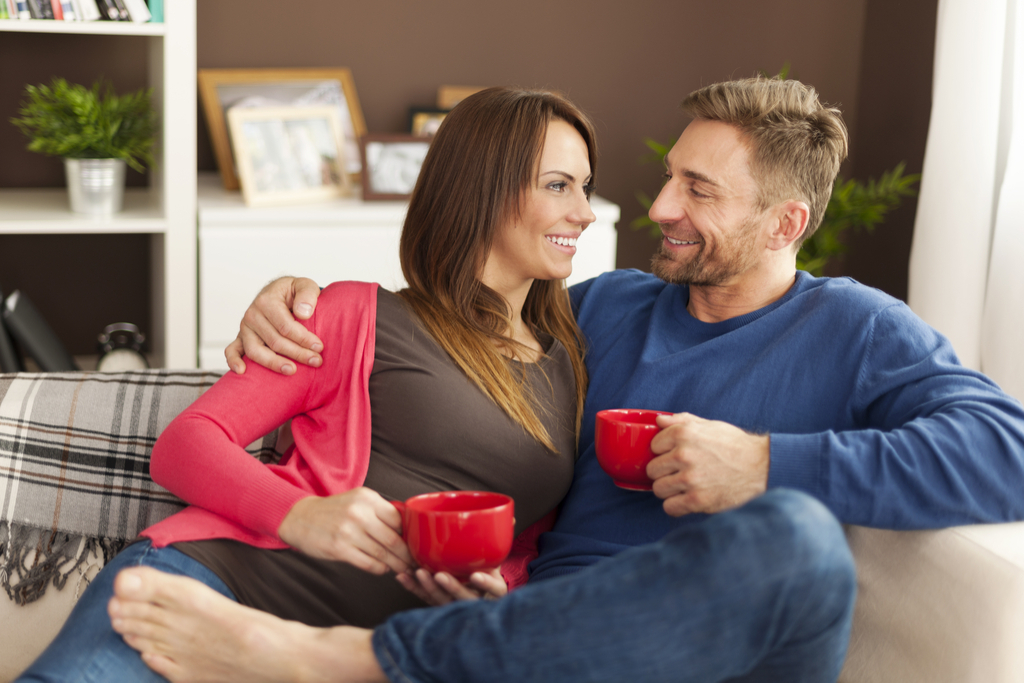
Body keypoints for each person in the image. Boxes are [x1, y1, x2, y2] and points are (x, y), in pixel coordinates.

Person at [108, 76, 1024, 682]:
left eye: (699, 192)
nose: (658, 207)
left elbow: (1007, 452)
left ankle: (348, 661)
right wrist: (292, 299)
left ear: (786, 223)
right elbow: (448, 323)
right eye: (669, 177)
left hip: (724, 651)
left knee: (792, 536)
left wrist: (764, 465)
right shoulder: (599, 310)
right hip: (533, 648)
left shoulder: (856, 329)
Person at [15, 87, 600, 682]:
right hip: (219, 588)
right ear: (483, 187)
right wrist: (300, 514)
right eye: (558, 185)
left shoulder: (572, 362)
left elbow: (521, 548)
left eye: (584, 185)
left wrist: (493, 593)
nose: (584, 211)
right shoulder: (357, 314)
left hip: (346, 660)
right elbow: (186, 444)